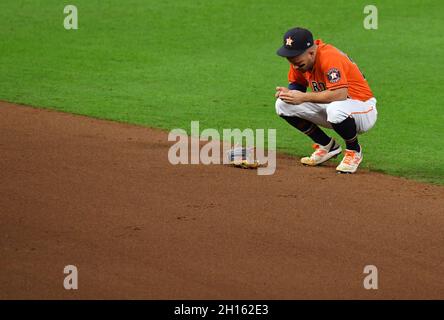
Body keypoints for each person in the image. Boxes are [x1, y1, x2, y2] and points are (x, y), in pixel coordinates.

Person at [275, 27, 377, 173]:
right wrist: (289, 93)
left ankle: (354, 151)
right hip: (334, 109)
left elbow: (340, 94)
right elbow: (298, 86)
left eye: (298, 61)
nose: (295, 66)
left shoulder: (329, 57)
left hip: (362, 109)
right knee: (282, 104)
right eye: (291, 60)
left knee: (335, 109)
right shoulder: (299, 61)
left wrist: (302, 97)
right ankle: (327, 146)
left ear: (311, 52)